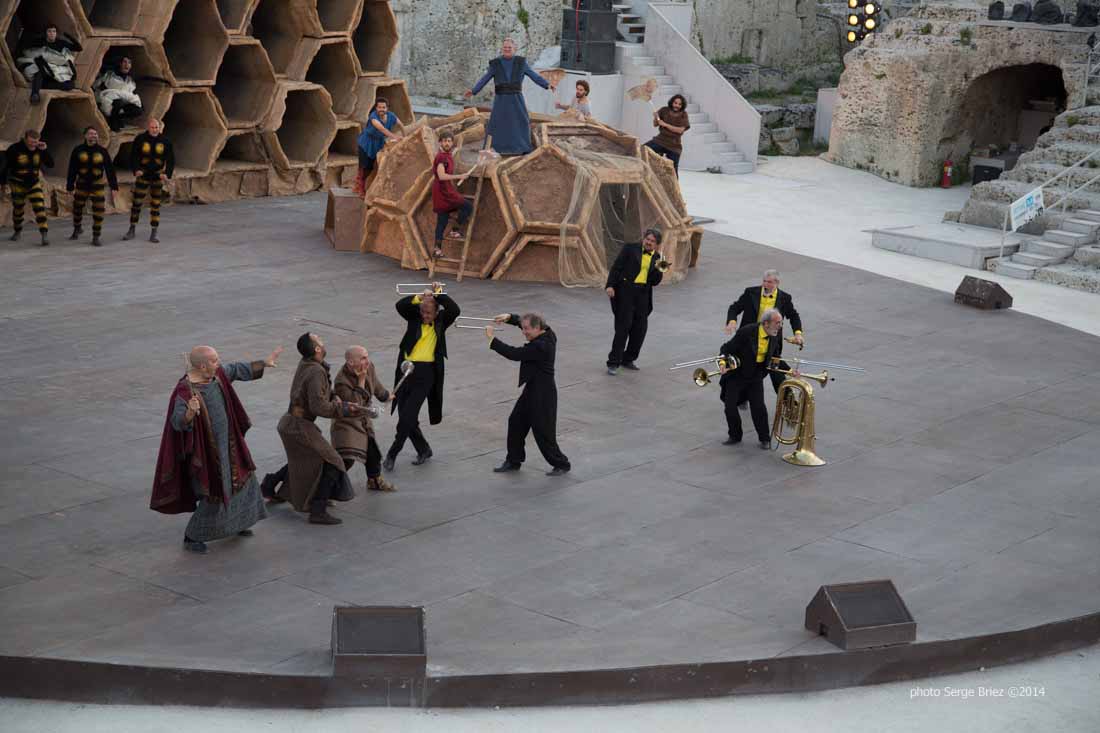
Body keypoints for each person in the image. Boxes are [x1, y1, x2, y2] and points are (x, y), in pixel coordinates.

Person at [150, 344, 283, 554]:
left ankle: (239, 522)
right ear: (202, 366)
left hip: (230, 443)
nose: (218, 363)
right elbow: (177, 422)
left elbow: (235, 369)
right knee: (215, 492)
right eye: (214, 361)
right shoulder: (186, 391)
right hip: (208, 452)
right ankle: (193, 535)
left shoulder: (216, 375)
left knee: (244, 480)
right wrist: (190, 413)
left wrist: (263, 363)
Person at [272, 333, 361, 525]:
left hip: (291, 423)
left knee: (305, 461)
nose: (322, 339)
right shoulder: (315, 371)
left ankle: (269, 486)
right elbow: (318, 407)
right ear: (317, 349)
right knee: (334, 460)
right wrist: (344, 408)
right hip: (298, 426)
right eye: (318, 338)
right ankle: (318, 510)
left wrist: (334, 396)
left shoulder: (307, 364)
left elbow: (317, 393)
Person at [383, 284, 461, 471]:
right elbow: (400, 305)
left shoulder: (442, 321)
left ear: (436, 313)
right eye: (423, 313)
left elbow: (455, 309)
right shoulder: (414, 318)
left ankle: (392, 454)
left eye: (428, 314)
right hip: (405, 369)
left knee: (407, 418)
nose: (425, 316)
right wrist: (420, 297)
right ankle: (424, 449)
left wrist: (439, 294)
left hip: (426, 374)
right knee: (406, 416)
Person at [486, 313, 571, 476]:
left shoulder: (540, 346)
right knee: (516, 421)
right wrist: (510, 317)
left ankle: (561, 463)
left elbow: (514, 354)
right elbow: (525, 323)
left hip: (543, 394)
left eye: (527, 329)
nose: (523, 332)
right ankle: (513, 460)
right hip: (532, 389)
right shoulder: (548, 332)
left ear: (538, 329)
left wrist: (492, 339)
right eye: (523, 328)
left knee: (543, 431)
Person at [465, 38, 557, 155]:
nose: (507, 49)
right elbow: (485, 78)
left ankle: (520, 148)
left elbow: (534, 76)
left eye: (509, 47)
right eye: (505, 47)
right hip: (501, 99)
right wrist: (473, 91)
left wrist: (547, 85)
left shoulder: (521, 62)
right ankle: (496, 148)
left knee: (522, 121)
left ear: (515, 49)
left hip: (516, 99)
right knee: (497, 123)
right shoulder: (495, 64)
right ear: (502, 49)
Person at [724, 269, 803, 397]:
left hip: (772, 339)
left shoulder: (784, 298)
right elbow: (735, 307)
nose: (765, 285)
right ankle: (740, 396)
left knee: (776, 370)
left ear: (777, 283)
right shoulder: (750, 293)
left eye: (769, 282)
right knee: (744, 369)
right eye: (764, 281)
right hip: (749, 338)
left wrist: (798, 333)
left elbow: (793, 316)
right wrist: (732, 321)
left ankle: (787, 401)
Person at [331, 345, 397, 493]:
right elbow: (356, 405)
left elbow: (375, 383)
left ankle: (374, 480)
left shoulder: (369, 366)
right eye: (363, 358)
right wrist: (361, 381)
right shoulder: (341, 381)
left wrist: (385, 395)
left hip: (363, 420)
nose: (367, 361)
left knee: (372, 450)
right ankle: (326, 487)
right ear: (350, 363)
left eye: (367, 356)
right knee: (346, 458)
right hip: (347, 423)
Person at [718, 309, 783, 449]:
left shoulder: (775, 334)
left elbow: (776, 358)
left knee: (758, 407)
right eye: (777, 323)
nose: (780, 325)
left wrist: (790, 371)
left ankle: (765, 438)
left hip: (756, 375)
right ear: (766, 323)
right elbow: (726, 348)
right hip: (737, 374)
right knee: (730, 406)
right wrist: (723, 363)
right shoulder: (746, 332)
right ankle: (735, 435)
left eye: (780, 323)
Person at [605, 228, 665, 375]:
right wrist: (610, 285)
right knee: (623, 328)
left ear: (657, 244)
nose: (649, 242)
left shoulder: (658, 257)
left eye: (652, 241)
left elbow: (655, 282)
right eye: (647, 239)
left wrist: (660, 269)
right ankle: (613, 362)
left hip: (643, 295)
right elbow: (616, 267)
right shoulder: (630, 249)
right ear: (643, 238)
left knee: (640, 330)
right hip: (626, 291)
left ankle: (628, 359)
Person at [66, 126, 118, 247]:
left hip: (97, 184)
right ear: (85, 136)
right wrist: (70, 186)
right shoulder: (78, 150)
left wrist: (114, 186)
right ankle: (77, 228)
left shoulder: (102, 151)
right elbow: (72, 169)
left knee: (99, 210)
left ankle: (96, 236)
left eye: (95, 134)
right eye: (90, 133)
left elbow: (110, 169)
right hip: (82, 184)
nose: (93, 136)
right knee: (77, 208)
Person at [124, 118, 175, 243]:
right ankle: (132, 229)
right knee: (136, 203)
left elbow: (171, 160)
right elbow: (133, 156)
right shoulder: (140, 139)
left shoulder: (166, 141)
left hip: (157, 177)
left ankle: (154, 232)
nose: (154, 129)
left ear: (160, 128)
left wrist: (166, 174)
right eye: (152, 127)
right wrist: (136, 169)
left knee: (156, 205)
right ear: (148, 127)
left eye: (156, 127)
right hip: (143, 176)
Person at [3, 130, 53, 246]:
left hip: (33, 183)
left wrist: (44, 150)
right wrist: (3, 183)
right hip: (17, 183)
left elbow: (51, 164)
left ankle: (44, 234)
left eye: (35, 142)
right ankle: (17, 231)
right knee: (18, 209)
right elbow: (5, 167)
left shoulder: (39, 149)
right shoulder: (14, 149)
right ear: (25, 139)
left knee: (40, 207)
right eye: (31, 142)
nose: (33, 145)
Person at [431, 131, 473, 258]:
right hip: (443, 191)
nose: (447, 143)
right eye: (444, 141)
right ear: (440, 142)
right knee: (467, 207)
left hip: (445, 189)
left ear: (452, 143)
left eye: (449, 141)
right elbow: (442, 176)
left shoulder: (447, 155)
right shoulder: (441, 158)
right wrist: (460, 176)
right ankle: (454, 231)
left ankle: (437, 249)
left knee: (442, 220)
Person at [16, 23, 81, 105]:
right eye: (49, 31)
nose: (52, 34)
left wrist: (68, 36)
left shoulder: (60, 43)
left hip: (54, 70)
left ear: (56, 33)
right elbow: (27, 48)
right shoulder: (41, 42)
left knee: (70, 85)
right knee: (38, 72)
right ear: (46, 33)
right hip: (42, 67)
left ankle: (43, 85)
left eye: (54, 31)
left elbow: (79, 48)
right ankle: (35, 94)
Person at [355, 97, 404, 196]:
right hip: (367, 143)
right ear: (376, 108)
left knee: (374, 165)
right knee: (364, 166)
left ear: (387, 108)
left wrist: (405, 135)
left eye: (384, 107)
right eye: (379, 107)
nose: (382, 109)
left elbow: (401, 124)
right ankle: (359, 187)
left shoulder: (391, 116)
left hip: (379, 143)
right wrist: (395, 137)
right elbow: (383, 130)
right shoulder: (373, 117)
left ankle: (366, 186)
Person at [93, 56, 143, 131]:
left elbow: (130, 93)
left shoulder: (130, 80)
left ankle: (118, 118)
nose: (127, 65)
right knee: (118, 102)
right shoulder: (109, 75)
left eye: (129, 63)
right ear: (120, 64)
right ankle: (112, 121)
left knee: (139, 110)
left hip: (124, 101)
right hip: (111, 100)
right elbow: (95, 85)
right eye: (124, 62)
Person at [644, 94, 690, 175]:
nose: (677, 105)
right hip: (660, 140)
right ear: (672, 102)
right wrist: (655, 117)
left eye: (680, 104)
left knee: (673, 171)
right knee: (642, 150)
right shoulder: (664, 110)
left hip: (674, 145)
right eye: (675, 103)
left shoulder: (684, 114)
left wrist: (665, 124)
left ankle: (673, 187)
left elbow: (680, 130)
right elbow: (655, 124)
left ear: (682, 105)